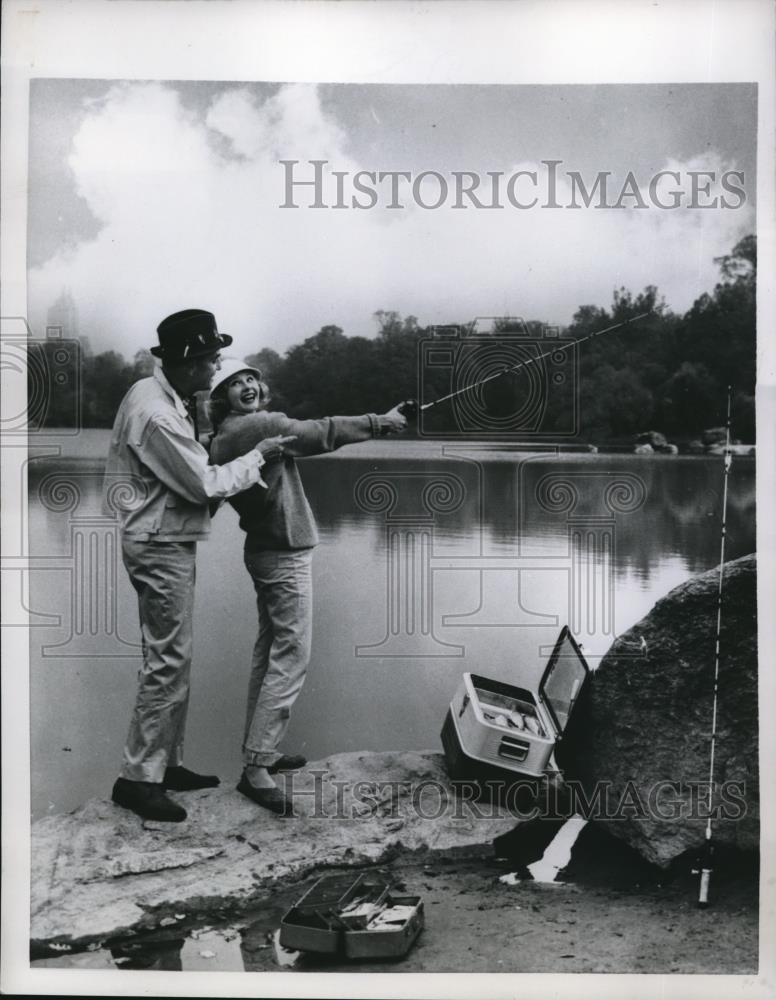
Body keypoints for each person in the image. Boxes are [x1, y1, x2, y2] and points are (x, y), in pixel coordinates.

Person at [103, 310, 289, 823]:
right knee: (168, 659)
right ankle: (137, 779)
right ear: (185, 364)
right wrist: (258, 454)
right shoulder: (158, 414)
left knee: (171, 657)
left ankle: (165, 765)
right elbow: (203, 484)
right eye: (209, 360)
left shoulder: (156, 392)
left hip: (162, 537)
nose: (216, 369)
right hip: (159, 542)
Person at [208, 357, 408, 815]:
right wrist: (382, 422)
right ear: (222, 398)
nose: (247, 386)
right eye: (234, 383)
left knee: (271, 652)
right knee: (291, 655)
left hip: (268, 550)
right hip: (282, 554)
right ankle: (257, 768)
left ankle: (260, 753)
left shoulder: (227, 433)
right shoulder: (254, 425)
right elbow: (322, 432)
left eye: (251, 378)